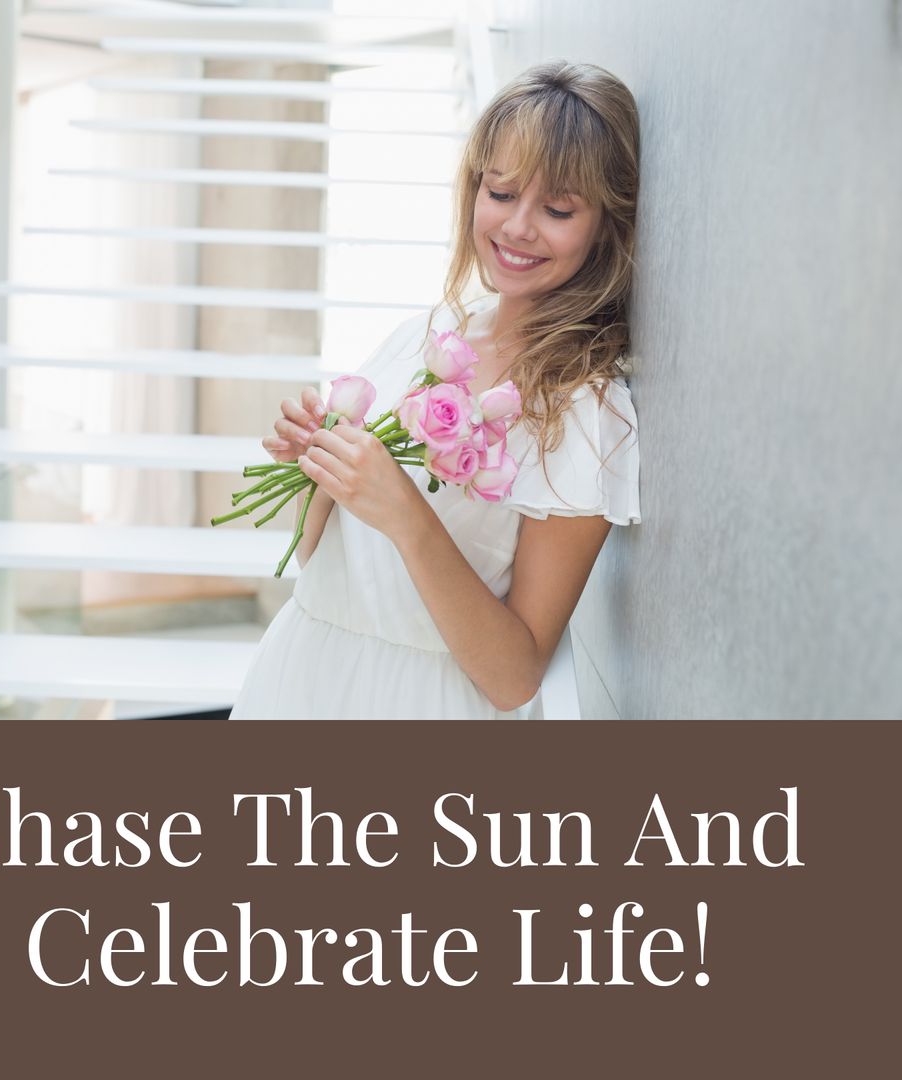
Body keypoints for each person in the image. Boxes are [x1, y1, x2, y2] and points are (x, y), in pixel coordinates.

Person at [228, 60, 641, 720]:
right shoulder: (429, 337)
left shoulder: (583, 411)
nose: (518, 227)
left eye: (558, 209)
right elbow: (319, 561)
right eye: (501, 193)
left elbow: (514, 678)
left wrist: (404, 513)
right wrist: (318, 469)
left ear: (606, 225)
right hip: (304, 673)